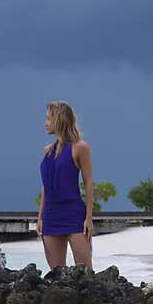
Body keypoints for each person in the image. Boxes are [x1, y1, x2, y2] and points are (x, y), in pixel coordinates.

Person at [37, 100, 94, 270]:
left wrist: (89, 218)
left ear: (59, 120)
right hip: (51, 216)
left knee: (85, 273)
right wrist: (40, 217)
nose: (45, 123)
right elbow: (45, 187)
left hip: (74, 214)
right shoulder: (47, 150)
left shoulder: (80, 147)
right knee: (57, 275)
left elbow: (88, 183)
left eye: (48, 119)